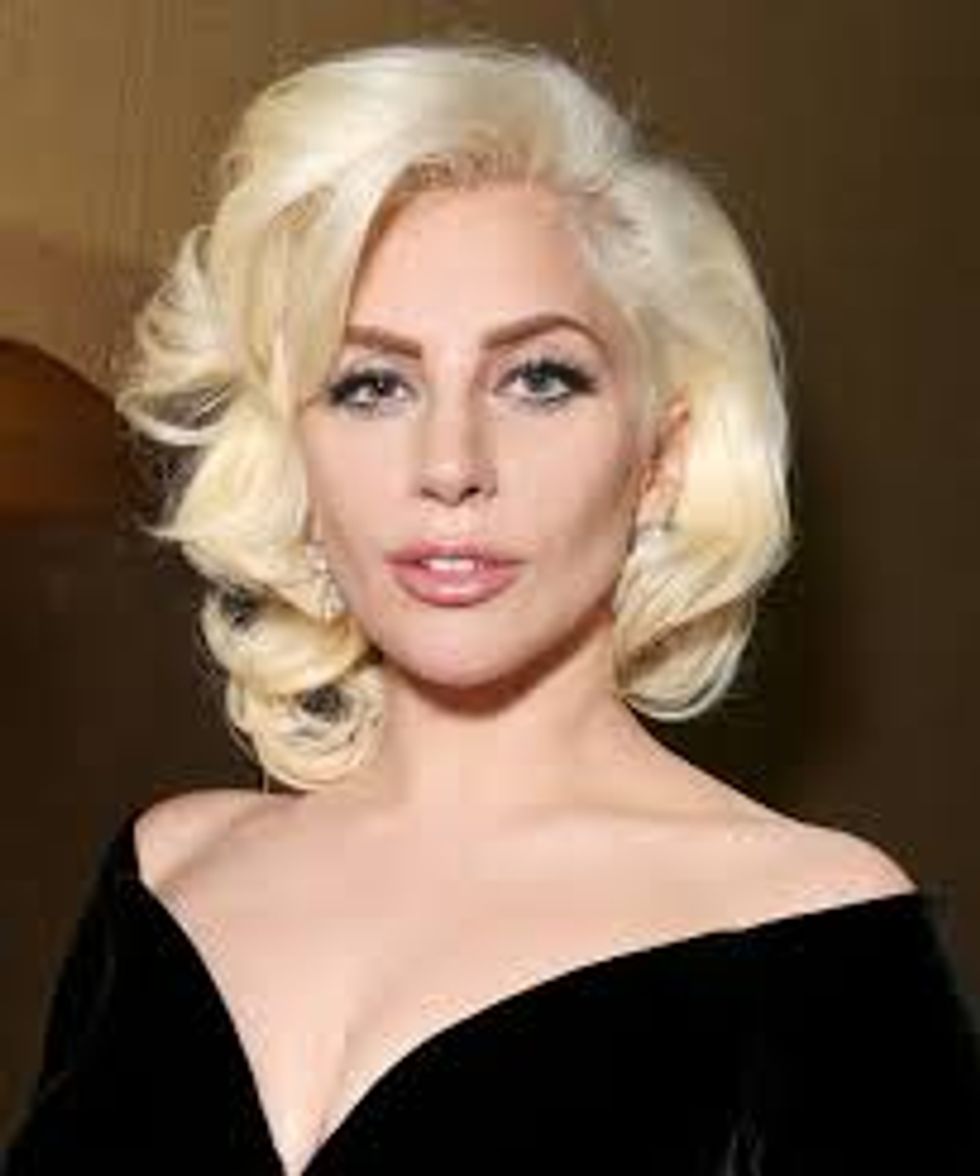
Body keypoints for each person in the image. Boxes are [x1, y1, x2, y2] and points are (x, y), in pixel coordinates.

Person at [5, 38, 979, 1176]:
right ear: (297, 455)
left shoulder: (812, 933)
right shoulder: (164, 876)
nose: (451, 465)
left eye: (538, 379)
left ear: (660, 458)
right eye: (373, 384)